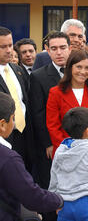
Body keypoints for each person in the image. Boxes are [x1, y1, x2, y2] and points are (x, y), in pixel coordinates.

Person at [0, 92, 63, 221]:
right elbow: (31, 196)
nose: (14, 123)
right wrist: (59, 201)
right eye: (13, 118)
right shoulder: (8, 159)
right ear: (2, 124)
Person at [29, 31, 71, 221]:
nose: (59, 52)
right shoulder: (38, 77)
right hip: (52, 145)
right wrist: (48, 143)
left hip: (78, 141)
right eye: (53, 49)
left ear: (69, 48)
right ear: (47, 50)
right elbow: (37, 114)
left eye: (63, 48)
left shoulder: (81, 71)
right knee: (51, 188)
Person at [46, 49, 88, 157]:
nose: (83, 72)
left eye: (87, 68)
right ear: (70, 68)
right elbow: (53, 126)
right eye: (79, 67)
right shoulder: (55, 92)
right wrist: (70, 148)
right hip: (66, 153)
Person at [0, 26, 34, 172]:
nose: (9, 50)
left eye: (10, 45)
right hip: (4, 139)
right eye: (2, 46)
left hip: (24, 136)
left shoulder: (18, 70)